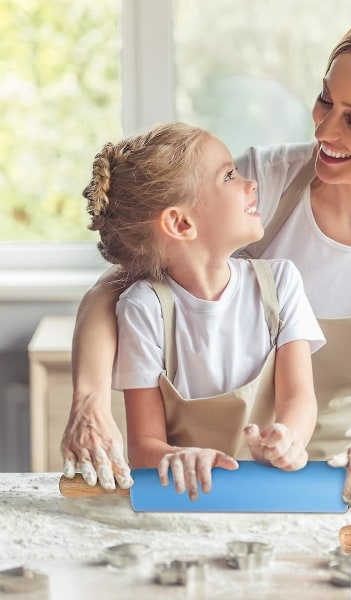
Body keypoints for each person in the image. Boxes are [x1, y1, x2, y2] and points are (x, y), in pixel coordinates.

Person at [61, 7, 351, 508]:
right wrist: (89, 398)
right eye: (325, 99)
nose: (324, 131)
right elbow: (118, 284)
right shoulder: (267, 182)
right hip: (227, 472)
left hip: (343, 474)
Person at [70, 122, 324, 500]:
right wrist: (179, 457)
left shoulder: (280, 283)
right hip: (186, 497)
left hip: (271, 491)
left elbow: (299, 398)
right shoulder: (144, 309)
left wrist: (290, 438)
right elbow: (144, 445)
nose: (250, 183)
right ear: (181, 222)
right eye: (229, 175)